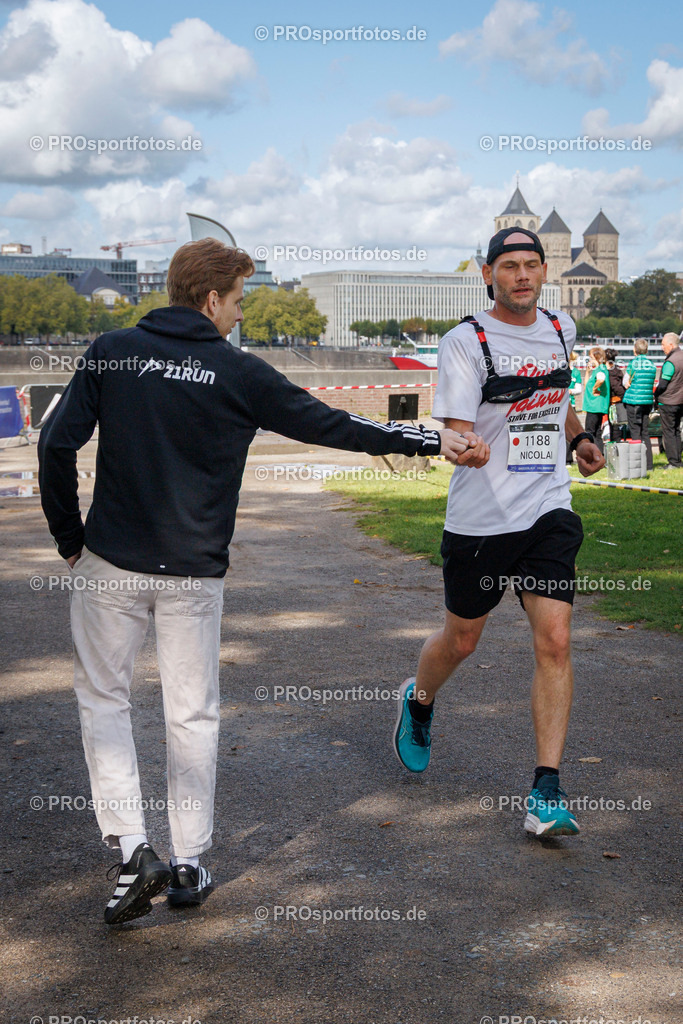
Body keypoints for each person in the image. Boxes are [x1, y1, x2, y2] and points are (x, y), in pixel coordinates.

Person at [38, 238, 473, 925]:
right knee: (191, 712)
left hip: (109, 562)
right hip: (192, 573)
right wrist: (426, 440)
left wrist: (70, 539)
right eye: (239, 299)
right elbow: (332, 425)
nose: (241, 313)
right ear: (211, 299)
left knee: (104, 703)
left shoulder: (112, 349)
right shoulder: (238, 372)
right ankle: (187, 861)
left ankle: (131, 850)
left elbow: (55, 443)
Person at [392, 228, 605, 839]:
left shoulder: (562, 329)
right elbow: (459, 427)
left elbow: (555, 398)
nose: (521, 276)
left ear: (544, 272)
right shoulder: (466, 341)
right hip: (482, 518)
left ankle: (545, 790)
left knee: (556, 640)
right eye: (508, 266)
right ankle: (419, 700)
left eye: (531, 265)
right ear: (489, 274)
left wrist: (579, 438)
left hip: (548, 508)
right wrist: (469, 449)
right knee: (462, 642)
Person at [623, 339, 657, 470]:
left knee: (635, 432)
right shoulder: (652, 365)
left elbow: (625, 381)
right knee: (645, 432)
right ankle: (649, 464)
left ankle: (638, 464)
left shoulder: (633, 364)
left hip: (633, 402)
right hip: (647, 402)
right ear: (647, 350)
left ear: (634, 350)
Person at [655, 333, 683, 470]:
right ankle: (678, 459)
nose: (662, 348)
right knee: (677, 431)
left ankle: (673, 462)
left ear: (671, 345)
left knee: (669, 433)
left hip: (669, 402)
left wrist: (655, 395)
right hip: (680, 401)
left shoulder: (671, 361)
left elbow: (662, 384)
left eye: (663, 345)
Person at [582, 347, 610, 455]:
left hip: (594, 405)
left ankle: (592, 455)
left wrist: (595, 388)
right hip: (596, 405)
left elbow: (601, 379)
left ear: (597, 357)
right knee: (597, 431)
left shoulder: (600, 369)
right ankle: (600, 455)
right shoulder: (597, 370)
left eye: (591, 357)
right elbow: (586, 385)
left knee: (590, 431)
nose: (590, 360)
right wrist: (588, 372)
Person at [605, 347, 627, 442]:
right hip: (618, 401)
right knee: (616, 426)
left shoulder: (611, 373)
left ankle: (615, 447)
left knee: (614, 427)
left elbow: (616, 387)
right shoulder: (617, 370)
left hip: (614, 402)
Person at [566, 351, 583, 463]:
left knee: (569, 433)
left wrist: (570, 391)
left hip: (570, 404)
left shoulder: (576, 372)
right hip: (560, 404)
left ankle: (568, 459)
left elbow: (579, 390)